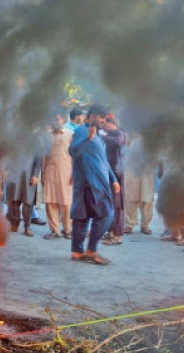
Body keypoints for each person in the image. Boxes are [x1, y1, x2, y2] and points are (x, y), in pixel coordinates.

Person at [68, 104, 119, 265]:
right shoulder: (82, 132)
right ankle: (90, 250)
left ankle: (77, 252)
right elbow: (73, 151)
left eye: (105, 118)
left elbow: (103, 161)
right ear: (91, 117)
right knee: (105, 214)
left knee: (82, 216)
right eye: (101, 118)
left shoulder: (98, 136)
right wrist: (88, 138)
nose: (104, 121)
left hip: (98, 182)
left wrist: (113, 179)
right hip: (90, 182)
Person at [41, 113, 74, 240]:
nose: (55, 121)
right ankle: (54, 230)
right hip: (50, 171)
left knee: (66, 202)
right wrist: (43, 173)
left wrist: (74, 173)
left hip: (66, 172)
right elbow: (44, 156)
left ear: (64, 120)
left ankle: (67, 230)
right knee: (50, 201)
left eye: (58, 119)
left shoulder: (70, 134)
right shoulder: (47, 136)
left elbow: (75, 155)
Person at [101, 115, 127, 246]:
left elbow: (117, 142)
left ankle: (117, 236)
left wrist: (101, 136)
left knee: (117, 205)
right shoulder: (111, 134)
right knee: (110, 204)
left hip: (117, 174)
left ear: (111, 122)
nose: (103, 127)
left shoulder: (119, 133)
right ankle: (110, 232)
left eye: (104, 124)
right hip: (110, 173)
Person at [6, 156, 42, 237]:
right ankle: (14, 224)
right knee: (13, 200)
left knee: (28, 201)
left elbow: (38, 158)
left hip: (29, 175)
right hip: (14, 173)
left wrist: (35, 175)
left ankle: (27, 227)